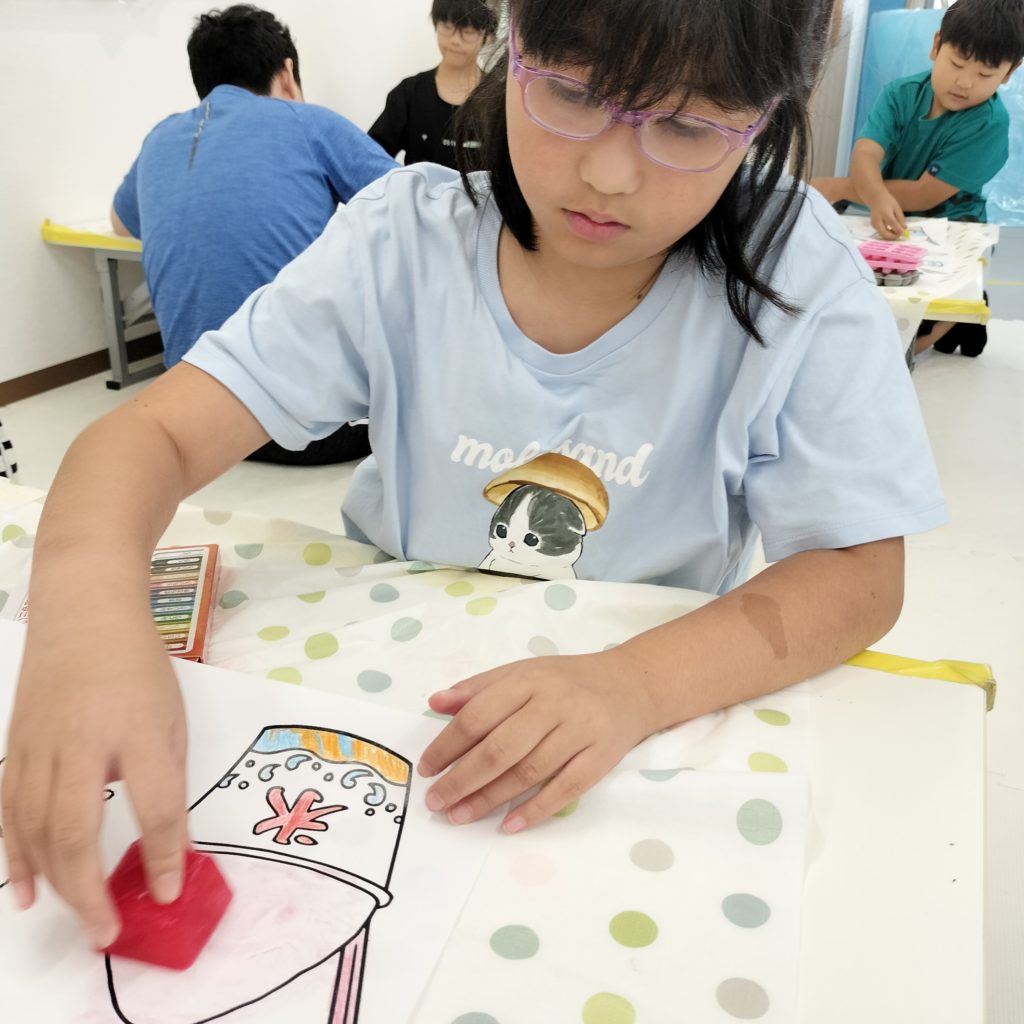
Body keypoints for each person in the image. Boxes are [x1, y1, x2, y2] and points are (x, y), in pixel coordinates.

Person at [3, 0, 948, 952]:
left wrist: (634, 685)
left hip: (636, 730)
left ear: (769, 113)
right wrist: (84, 621)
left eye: (689, 126)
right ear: (515, 42)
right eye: (572, 92)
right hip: (387, 719)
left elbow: (860, 574)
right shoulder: (403, 238)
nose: (609, 173)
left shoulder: (799, 273)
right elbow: (151, 434)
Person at [111, 4, 397, 463]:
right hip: (306, 430)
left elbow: (121, 223)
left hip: (193, 422)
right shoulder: (308, 121)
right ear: (287, 72)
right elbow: (416, 208)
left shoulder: (159, 137)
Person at [812, 0, 1024, 356]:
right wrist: (874, 196)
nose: (964, 82)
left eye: (985, 74)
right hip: (885, 211)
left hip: (951, 222)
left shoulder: (988, 124)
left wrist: (841, 187)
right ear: (936, 45)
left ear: (1008, 73)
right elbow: (865, 155)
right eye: (957, 63)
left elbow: (926, 194)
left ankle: (959, 316)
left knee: (921, 334)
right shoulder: (900, 94)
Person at [368, 0, 497, 167]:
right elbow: (370, 156)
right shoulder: (409, 93)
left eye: (468, 31)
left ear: (487, 36)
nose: (455, 40)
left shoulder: (498, 99)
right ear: (436, 25)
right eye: (447, 27)